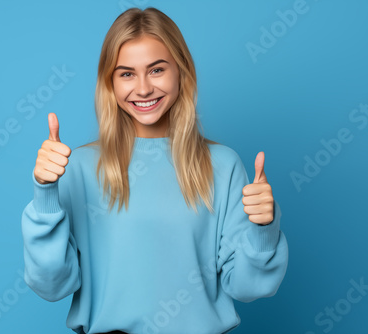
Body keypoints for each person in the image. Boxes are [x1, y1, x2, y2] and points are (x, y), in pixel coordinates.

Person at [21, 7, 288, 334]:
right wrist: (45, 194)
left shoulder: (223, 165)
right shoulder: (79, 168)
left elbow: (248, 288)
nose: (144, 88)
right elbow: (52, 286)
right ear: (110, 84)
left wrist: (263, 228)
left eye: (157, 69)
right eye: (127, 73)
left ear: (181, 72)